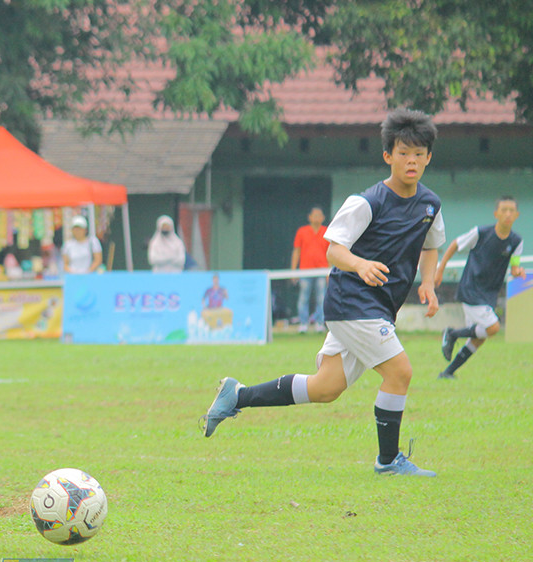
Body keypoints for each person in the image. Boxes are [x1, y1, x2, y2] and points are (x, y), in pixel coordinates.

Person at [201, 108, 444, 477]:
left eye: (418, 153)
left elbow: (429, 246)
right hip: (353, 302)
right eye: (403, 152)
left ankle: (238, 395)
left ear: (428, 156)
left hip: (378, 307)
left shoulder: (430, 205)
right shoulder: (367, 202)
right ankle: (388, 461)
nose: (411, 160)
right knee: (400, 372)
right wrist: (361, 265)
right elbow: (334, 250)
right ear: (387, 156)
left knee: (326, 388)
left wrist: (427, 282)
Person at [436, 196, 525, 379]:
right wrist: (440, 268)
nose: (507, 214)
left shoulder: (516, 241)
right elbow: (455, 244)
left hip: (489, 293)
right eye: (504, 210)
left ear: (516, 215)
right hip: (471, 288)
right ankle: (452, 333)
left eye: (511, 211)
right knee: (493, 328)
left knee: (479, 338)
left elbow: (514, 268)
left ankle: (447, 373)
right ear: (496, 214)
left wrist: (518, 272)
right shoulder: (481, 233)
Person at [291, 206, 330, 333]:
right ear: (309, 217)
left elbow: (330, 253)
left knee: (321, 297)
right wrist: (293, 270)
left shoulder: (327, 232)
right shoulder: (302, 231)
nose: (317, 218)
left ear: (323, 218)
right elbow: (296, 251)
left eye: (319, 215)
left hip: (322, 270)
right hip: (305, 270)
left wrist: (329, 272)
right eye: (315, 215)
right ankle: (303, 323)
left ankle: (319, 323)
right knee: (304, 297)